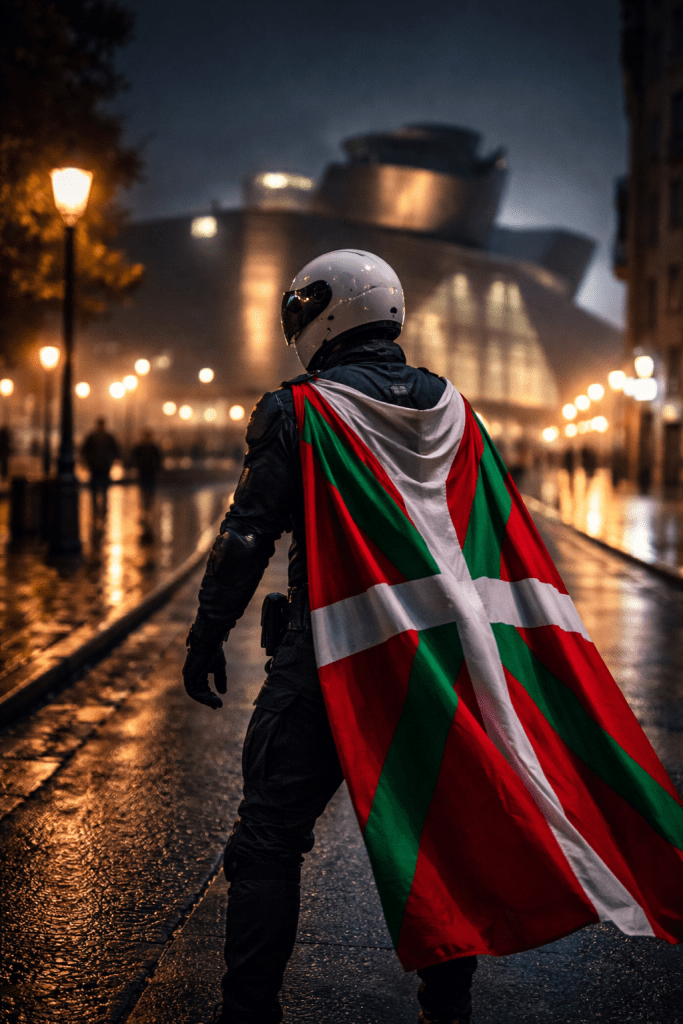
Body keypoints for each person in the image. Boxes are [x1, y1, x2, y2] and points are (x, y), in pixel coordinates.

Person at [183, 251, 683, 1024]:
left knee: (269, 839)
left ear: (322, 317)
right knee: (449, 829)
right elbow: (485, 534)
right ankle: (445, 1013)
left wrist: (208, 631)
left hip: (330, 656)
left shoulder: (300, 411)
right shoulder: (455, 409)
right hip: (441, 664)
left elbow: (248, 534)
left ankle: (248, 1013)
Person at [80, 417, 120, 516]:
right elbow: (115, 451)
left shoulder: (92, 436)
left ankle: (95, 508)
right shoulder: (108, 436)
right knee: (104, 488)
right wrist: (112, 461)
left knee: (94, 488)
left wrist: (86, 462)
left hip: (94, 466)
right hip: (105, 466)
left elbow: (84, 450)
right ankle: (103, 508)